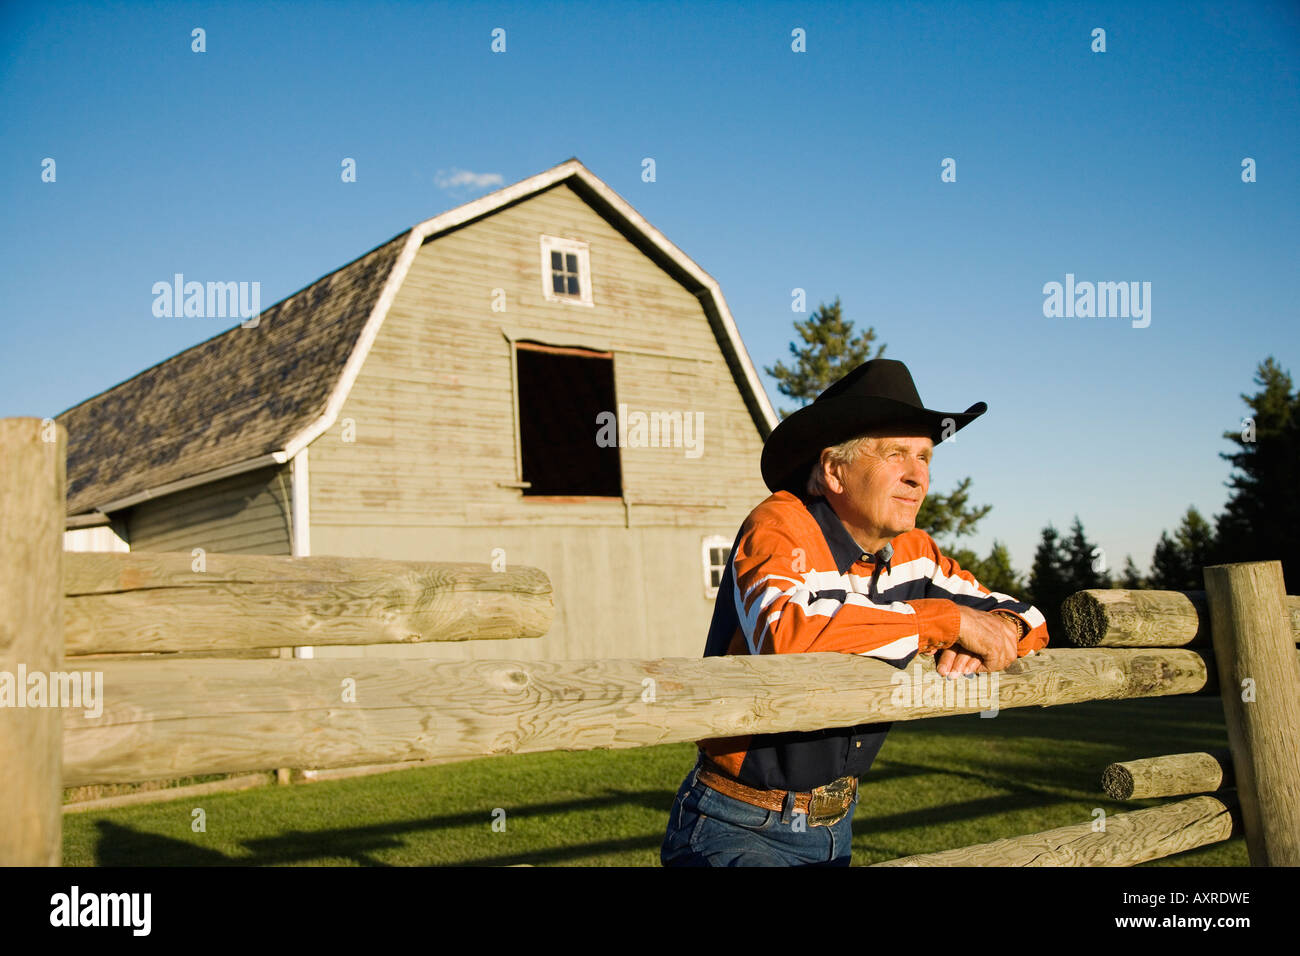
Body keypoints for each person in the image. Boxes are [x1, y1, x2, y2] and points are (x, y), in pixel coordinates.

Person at [660, 358, 1049, 867]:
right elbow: (786, 631)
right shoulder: (781, 524)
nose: (917, 477)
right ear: (834, 471)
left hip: (837, 826)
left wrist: (1002, 628)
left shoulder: (915, 550)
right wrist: (946, 624)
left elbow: (1030, 618)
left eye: (925, 457)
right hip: (739, 823)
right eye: (895, 454)